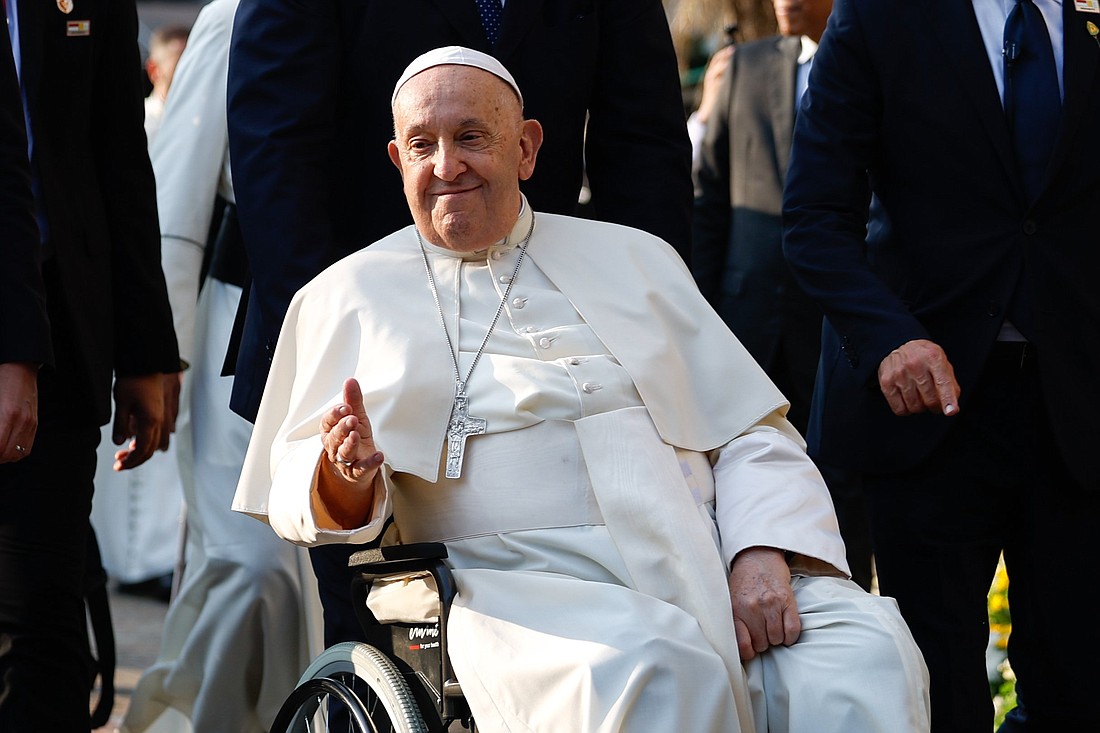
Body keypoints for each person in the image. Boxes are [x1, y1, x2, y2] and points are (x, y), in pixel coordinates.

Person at [235, 46, 929, 733]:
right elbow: (299, 483)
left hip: (708, 557)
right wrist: (343, 471)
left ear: (527, 149)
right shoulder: (343, 297)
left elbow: (750, 431)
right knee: (655, 671)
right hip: (517, 592)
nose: (446, 165)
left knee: (862, 657)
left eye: (471, 137)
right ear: (398, 161)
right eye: (423, 145)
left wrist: (759, 554)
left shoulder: (637, 258)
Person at [226, 0, 695, 648]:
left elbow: (644, 145)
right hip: (372, 338)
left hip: (556, 332)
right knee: (377, 632)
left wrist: (646, 315)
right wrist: (333, 340)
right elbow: (277, 154)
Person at [782, 1, 1100, 730]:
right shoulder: (879, 18)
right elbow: (815, 219)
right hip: (926, 413)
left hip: (1076, 411)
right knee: (937, 687)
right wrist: (890, 338)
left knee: (1080, 681)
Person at [119, 2, 323, 730]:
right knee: (248, 564)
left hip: (358, 328)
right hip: (238, 327)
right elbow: (175, 197)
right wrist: (156, 351)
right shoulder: (232, 19)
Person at [0, 0, 181, 730]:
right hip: (22, 335)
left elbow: (118, 157)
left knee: (40, 621)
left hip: (64, 329)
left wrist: (144, 350)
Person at [691, 0, 872, 591]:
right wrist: (701, 318)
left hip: (840, 332)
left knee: (841, 497)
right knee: (745, 495)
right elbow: (711, 199)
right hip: (747, 328)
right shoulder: (743, 67)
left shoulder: (879, 61)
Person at [142, 25, 189, 146]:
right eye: (180, 65)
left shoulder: (211, 122)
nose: (190, 72)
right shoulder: (139, 122)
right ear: (153, 69)